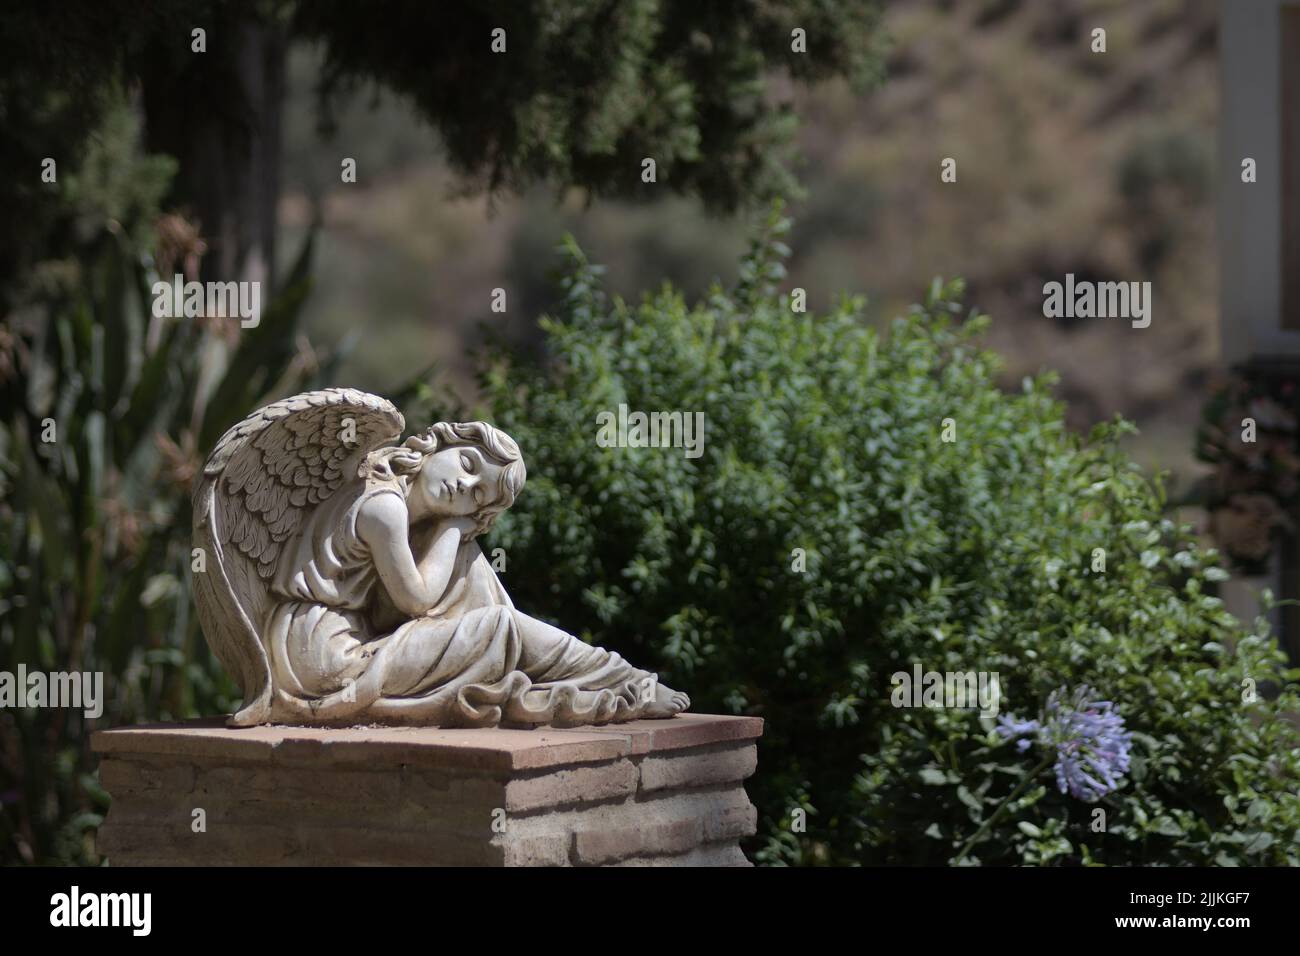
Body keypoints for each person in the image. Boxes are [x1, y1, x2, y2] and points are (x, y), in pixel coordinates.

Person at [263, 420, 690, 726]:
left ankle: (595, 674)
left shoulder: (389, 502)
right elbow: (416, 600)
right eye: (467, 464)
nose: (464, 486)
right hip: (326, 656)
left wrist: (454, 536)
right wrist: (451, 530)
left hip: (318, 642)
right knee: (499, 626)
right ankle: (624, 680)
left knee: (472, 569)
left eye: (478, 495)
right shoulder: (386, 507)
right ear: (437, 444)